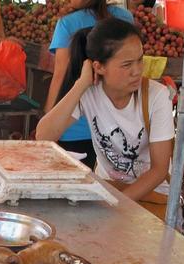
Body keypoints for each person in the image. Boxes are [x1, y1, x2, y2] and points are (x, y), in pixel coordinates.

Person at [37, 18, 175, 214]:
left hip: (151, 196)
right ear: (99, 67)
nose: (137, 71)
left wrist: (115, 205)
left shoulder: (157, 96)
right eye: (127, 65)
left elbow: (159, 170)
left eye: (140, 60)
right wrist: (81, 84)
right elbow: (43, 135)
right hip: (106, 190)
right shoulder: (89, 93)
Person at [45, 0, 134, 169]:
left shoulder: (67, 23)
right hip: (116, 129)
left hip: (74, 128)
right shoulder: (126, 17)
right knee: (111, 188)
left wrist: (50, 116)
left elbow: (60, 76)